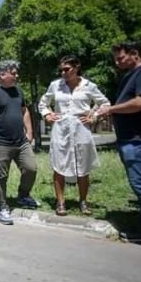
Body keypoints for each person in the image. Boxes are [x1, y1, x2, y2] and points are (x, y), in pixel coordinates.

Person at [39, 55, 110, 216]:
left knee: (83, 168)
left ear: (77, 67)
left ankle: (83, 201)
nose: (63, 72)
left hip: (81, 130)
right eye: (61, 70)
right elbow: (43, 103)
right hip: (61, 129)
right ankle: (61, 202)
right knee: (59, 166)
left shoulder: (89, 86)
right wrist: (47, 114)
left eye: (67, 69)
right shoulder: (55, 85)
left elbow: (105, 103)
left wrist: (94, 115)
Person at [97, 41, 141, 249]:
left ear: (134, 54)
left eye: (120, 58)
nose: (117, 63)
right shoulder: (131, 75)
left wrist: (111, 109)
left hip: (138, 140)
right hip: (130, 139)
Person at [0, 60, 39, 225]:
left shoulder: (18, 91)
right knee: (1, 176)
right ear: (2, 74)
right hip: (1, 143)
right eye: (13, 73)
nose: (16, 75)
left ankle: (23, 195)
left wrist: (30, 131)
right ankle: (2, 207)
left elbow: (24, 110)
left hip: (21, 141)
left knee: (31, 168)